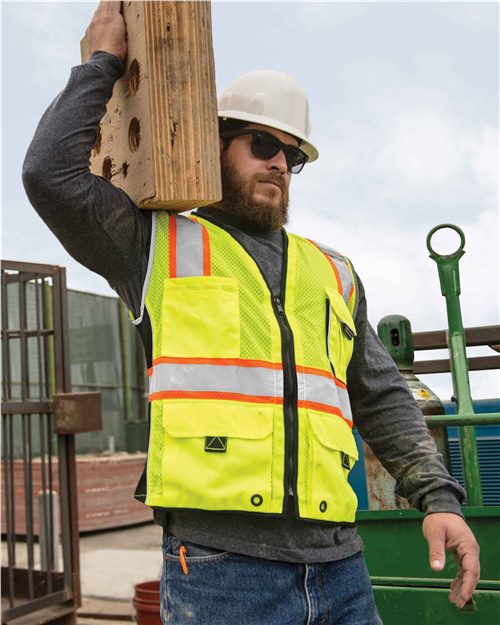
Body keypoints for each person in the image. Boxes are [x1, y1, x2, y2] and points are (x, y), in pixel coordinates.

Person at [22, 2, 479, 624]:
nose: (279, 164)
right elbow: (49, 175)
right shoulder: (153, 247)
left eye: (292, 156)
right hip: (222, 572)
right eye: (262, 144)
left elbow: (380, 395)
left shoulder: (334, 272)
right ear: (215, 145)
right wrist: (101, 62)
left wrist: (438, 497)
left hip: (342, 566)